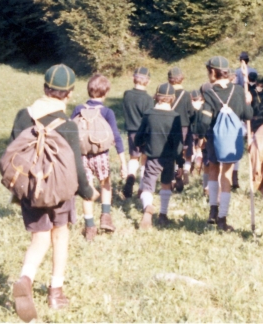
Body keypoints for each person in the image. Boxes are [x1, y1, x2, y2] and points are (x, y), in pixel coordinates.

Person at [10, 64, 98, 322]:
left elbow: (13, 151)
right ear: (69, 94)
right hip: (60, 191)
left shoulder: (22, 116)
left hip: (31, 190)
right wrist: (87, 192)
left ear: (44, 88)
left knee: (39, 237)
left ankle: (25, 278)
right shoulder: (69, 125)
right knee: (60, 236)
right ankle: (55, 292)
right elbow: (77, 167)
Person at [199, 56, 253, 230]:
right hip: (232, 138)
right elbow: (248, 115)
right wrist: (248, 102)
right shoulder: (238, 91)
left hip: (214, 137)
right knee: (227, 175)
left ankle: (212, 210)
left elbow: (205, 119)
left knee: (213, 169)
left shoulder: (208, 92)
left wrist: (199, 135)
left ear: (213, 72)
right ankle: (222, 218)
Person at [72, 74, 126, 241]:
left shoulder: (78, 109)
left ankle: (89, 227)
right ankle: (106, 217)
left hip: (82, 156)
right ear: (106, 93)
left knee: (87, 189)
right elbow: (116, 136)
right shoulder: (107, 112)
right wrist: (123, 162)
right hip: (101, 154)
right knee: (105, 184)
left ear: (89, 90)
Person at [135, 83, 185, 229]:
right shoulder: (175, 117)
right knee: (166, 185)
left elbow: (139, 137)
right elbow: (179, 143)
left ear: (156, 96)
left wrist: (142, 145)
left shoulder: (149, 114)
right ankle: (163, 215)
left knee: (148, 187)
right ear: (172, 99)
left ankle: (148, 208)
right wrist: (180, 163)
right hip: (169, 157)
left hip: (152, 157)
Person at [122, 67, 154, 198]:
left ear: (133, 78)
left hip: (132, 131)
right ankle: (141, 188)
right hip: (145, 132)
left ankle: (130, 176)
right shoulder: (148, 99)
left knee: (133, 157)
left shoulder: (127, 94)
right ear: (148, 82)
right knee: (145, 159)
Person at [168, 67, 194, 187]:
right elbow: (191, 112)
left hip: (168, 124)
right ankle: (180, 172)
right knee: (181, 152)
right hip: (183, 126)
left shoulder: (167, 93)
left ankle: (172, 177)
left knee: (170, 151)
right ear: (182, 79)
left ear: (169, 80)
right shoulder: (186, 94)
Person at [189, 89, 208, 188]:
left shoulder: (191, 108)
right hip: (201, 133)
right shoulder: (203, 108)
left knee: (192, 151)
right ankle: (198, 169)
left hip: (192, 132)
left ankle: (192, 169)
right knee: (200, 150)